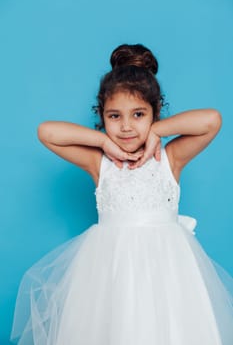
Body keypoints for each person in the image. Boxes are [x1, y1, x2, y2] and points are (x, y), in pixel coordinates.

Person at [11, 43, 233, 345]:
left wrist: (158, 131)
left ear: (154, 113)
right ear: (102, 117)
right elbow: (47, 132)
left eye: (139, 114)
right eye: (114, 116)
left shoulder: (170, 159)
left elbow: (212, 120)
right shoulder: (100, 163)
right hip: (109, 273)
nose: (127, 126)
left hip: (167, 273)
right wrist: (102, 142)